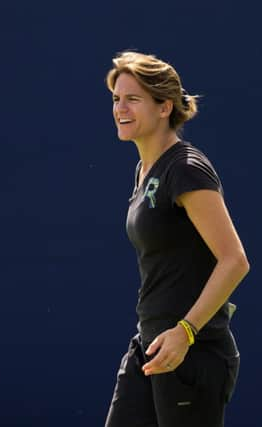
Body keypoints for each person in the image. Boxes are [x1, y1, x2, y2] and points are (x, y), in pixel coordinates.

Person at [104, 51, 249, 427]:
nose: (121, 108)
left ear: (164, 106)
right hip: (150, 347)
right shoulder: (145, 169)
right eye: (116, 99)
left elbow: (234, 260)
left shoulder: (185, 168)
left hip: (193, 354)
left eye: (133, 99)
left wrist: (185, 331)